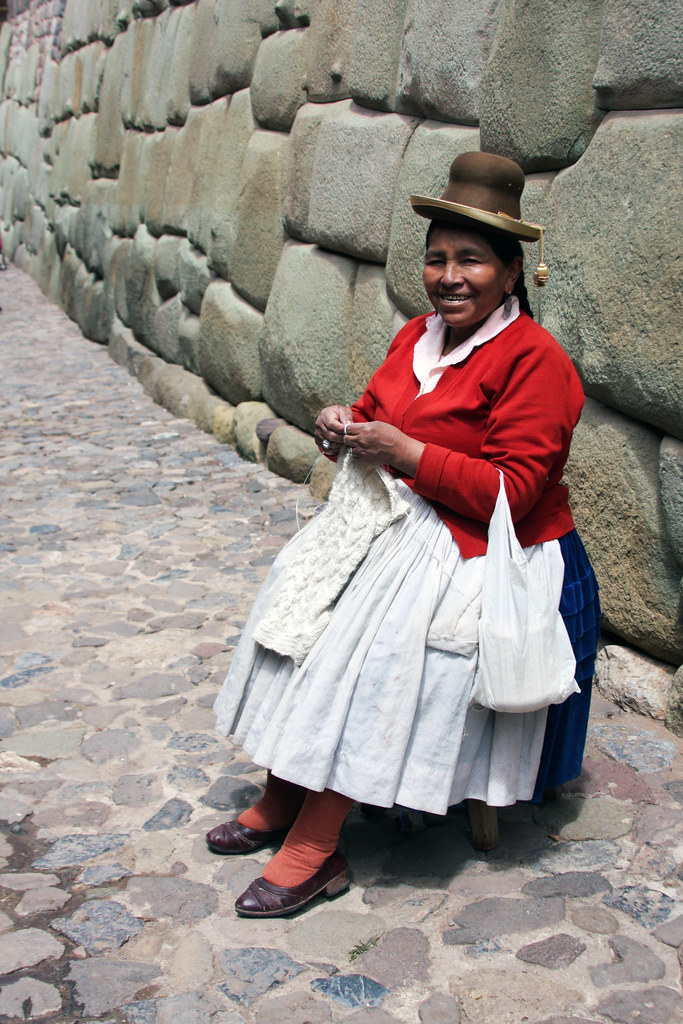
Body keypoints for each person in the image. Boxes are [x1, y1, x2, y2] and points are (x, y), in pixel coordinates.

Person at [207, 151, 600, 918]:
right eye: (436, 260)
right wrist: (341, 427)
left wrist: (408, 454)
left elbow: (513, 494)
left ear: (511, 273)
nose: (449, 276)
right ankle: (284, 794)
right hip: (393, 525)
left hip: (484, 547)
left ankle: (316, 849)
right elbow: (375, 411)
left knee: (374, 658)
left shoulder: (536, 363)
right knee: (304, 620)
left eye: (470, 262)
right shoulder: (416, 338)